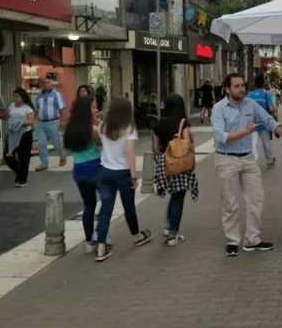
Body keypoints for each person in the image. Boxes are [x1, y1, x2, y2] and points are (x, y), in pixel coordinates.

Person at [212, 73, 282, 257]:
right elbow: (221, 137)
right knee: (230, 203)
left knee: (256, 199)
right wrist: (245, 132)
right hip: (227, 159)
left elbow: (269, 121)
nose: (241, 89)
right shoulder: (219, 109)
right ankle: (232, 241)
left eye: (243, 85)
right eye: (236, 86)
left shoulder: (250, 104)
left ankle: (253, 239)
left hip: (248, 158)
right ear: (227, 89)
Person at [95, 97, 153, 261]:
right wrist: (134, 175)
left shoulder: (103, 126)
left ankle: (100, 248)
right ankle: (136, 236)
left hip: (105, 171)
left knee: (106, 210)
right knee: (129, 207)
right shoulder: (129, 128)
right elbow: (130, 152)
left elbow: (100, 140)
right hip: (123, 173)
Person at [153, 93, 199, 246]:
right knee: (179, 197)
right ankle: (173, 234)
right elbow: (188, 146)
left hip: (164, 163)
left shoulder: (159, 124)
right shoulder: (182, 124)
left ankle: (168, 226)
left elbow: (155, 148)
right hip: (179, 163)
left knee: (173, 194)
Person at [63, 96, 103, 253]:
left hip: (79, 170)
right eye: (93, 108)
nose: (96, 110)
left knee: (89, 206)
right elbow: (101, 142)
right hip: (94, 168)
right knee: (107, 200)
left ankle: (89, 240)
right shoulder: (91, 129)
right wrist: (98, 123)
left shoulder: (71, 129)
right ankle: (101, 233)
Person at [34, 78, 67, 171]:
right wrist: (33, 121)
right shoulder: (38, 96)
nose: (45, 84)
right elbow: (36, 110)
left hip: (53, 122)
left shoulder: (57, 95)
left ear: (52, 84)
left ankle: (62, 155)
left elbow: (62, 109)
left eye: (47, 82)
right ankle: (44, 163)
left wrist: (62, 121)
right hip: (41, 123)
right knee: (41, 143)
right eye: (44, 83)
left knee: (56, 142)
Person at [5, 88, 35, 188]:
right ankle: (19, 172)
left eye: (17, 96)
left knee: (24, 157)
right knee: (8, 157)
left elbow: (31, 121)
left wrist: (19, 122)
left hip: (24, 134)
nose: (15, 99)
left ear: (23, 97)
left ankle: (23, 178)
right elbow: (8, 116)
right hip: (12, 133)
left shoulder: (28, 108)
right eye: (14, 96)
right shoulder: (11, 106)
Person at [247, 74, 276, 167]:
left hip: (252, 124)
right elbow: (271, 109)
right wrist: (275, 109)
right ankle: (270, 160)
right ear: (264, 84)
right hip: (264, 123)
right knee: (266, 143)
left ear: (254, 84)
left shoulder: (249, 95)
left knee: (253, 144)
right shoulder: (266, 94)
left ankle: (254, 161)